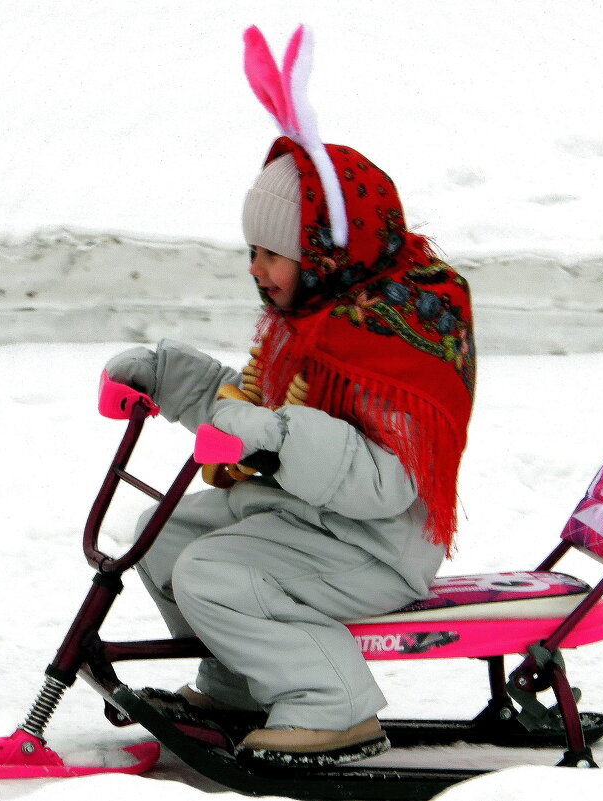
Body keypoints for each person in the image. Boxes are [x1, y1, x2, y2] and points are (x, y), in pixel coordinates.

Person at [103, 25, 475, 769]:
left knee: (214, 572)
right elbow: (251, 409)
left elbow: (385, 481)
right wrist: (169, 375)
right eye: (253, 251)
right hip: (308, 519)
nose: (258, 269)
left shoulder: (390, 339)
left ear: (327, 251)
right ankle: (243, 679)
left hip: (377, 546)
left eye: (275, 252)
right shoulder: (310, 319)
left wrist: (274, 436)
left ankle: (330, 702)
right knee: (164, 533)